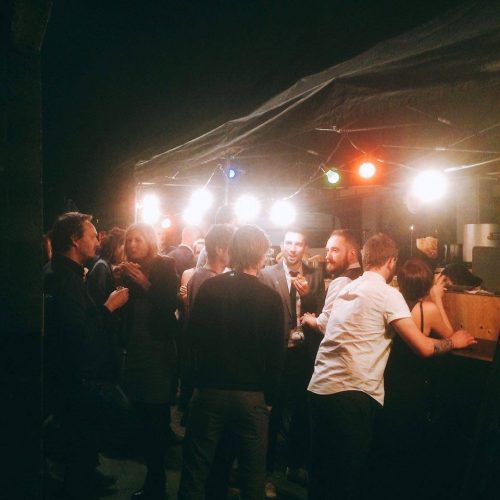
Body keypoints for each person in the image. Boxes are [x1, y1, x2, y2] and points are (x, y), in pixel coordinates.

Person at [307, 233, 476, 500]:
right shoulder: (388, 294)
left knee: (321, 475)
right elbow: (423, 347)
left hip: (319, 389)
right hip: (352, 394)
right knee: (347, 480)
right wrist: (453, 342)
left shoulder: (346, 288)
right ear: (391, 262)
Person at [178, 225, 285, 500]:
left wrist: (190, 388)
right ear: (260, 255)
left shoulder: (211, 288)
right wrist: (270, 398)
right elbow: (275, 353)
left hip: (209, 389)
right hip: (252, 396)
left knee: (195, 471)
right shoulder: (270, 298)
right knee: (252, 476)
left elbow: (192, 340)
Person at [43, 212, 130, 499]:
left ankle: (86, 476)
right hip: (74, 375)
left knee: (81, 435)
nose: (97, 240)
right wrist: (109, 307)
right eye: (92, 235)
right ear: (74, 239)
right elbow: (77, 332)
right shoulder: (65, 279)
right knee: (80, 432)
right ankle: (80, 485)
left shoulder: (63, 272)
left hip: (70, 374)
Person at [382, 257, 455, 499]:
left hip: (391, 380)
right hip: (415, 383)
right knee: (413, 442)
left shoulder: (397, 306)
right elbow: (449, 335)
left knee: (393, 442)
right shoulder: (427, 309)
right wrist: (438, 299)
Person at [116, 223, 179, 500]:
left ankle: (157, 483)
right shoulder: (125, 270)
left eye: (138, 240)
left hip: (158, 349)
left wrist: (143, 282)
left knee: (157, 415)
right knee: (141, 412)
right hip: (135, 348)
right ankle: (152, 479)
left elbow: (168, 305)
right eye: (129, 240)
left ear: (150, 241)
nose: (132, 245)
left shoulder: (164, 265)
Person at [259, 229, 325, 495]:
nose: (293, 248)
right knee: (272, 411)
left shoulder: (315, 274)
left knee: (300, 410)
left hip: (303, 352)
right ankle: (265, 471)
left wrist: (307, 296)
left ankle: (295, 465)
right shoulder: (268, 274)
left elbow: (321, 310)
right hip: (277, 351)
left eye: (298, 244)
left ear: (305, 247)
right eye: (288, 243)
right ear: (282, 246)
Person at [301, 229, 362, 334]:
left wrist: (309, 319)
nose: (327, 256)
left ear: (352, 254)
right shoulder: (362, 275)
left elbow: (325, 325)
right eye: (327, 250)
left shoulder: (342, 281)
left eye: (335, 250)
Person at [87, 227, 126, 307]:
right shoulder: (102, 266)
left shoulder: (105, 265)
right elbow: (98, 302)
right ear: (116, 246)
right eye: (123, 245)